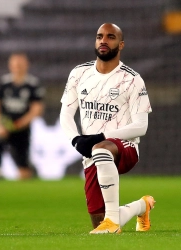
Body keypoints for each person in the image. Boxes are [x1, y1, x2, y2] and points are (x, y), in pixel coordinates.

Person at [60, 23, 155, 234]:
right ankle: (142, 206)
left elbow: (141, 126)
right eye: (99, 36)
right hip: (92, 153)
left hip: (125, 148)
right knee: (97, 221)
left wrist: (100, 137)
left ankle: (112, 222)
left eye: (110, 37)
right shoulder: (79, 73)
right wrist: (76, 140)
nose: (103, 40)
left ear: (121, 45)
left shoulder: (132, 79)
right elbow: (66, 113)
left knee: (102, 148)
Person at [0, 52, 45, 180]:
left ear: (26, 65)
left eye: (20, 64)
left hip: (22, 128)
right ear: (10, 66)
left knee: (23, 169)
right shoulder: (4, 83)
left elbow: (37, 108)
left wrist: (21, 123)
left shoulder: (32, 84)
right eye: (15, 64)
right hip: (5, 125)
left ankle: (27, 177)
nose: (17, 67)